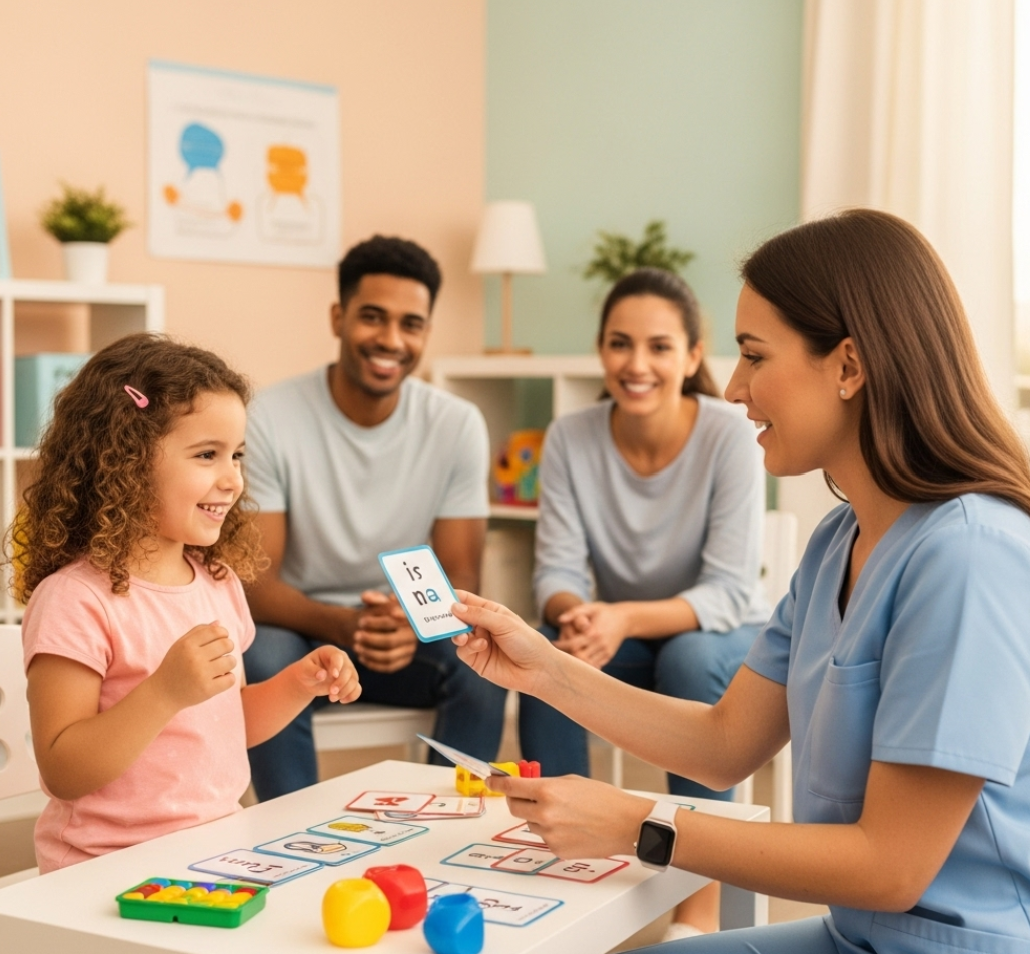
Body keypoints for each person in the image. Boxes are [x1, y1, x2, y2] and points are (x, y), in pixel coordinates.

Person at [449, 209, 1030, 953]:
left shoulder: (970, 556)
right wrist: (545, 668)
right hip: (855, 938)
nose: (730, 385)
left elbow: (891, 868)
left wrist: (637, 825)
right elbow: (727, 742)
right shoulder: (837, 543)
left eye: (754, 356)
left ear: (849, 367)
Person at [14, 334, 361, 873]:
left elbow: (226, 725)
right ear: (125, 461)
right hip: (103, 868)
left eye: (237, 455)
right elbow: (63, 768)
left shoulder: (217, 584)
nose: (232, 478)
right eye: (207, 455)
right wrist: (163, 692)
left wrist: (298, 685)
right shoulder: (74, 600)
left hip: (212, 853)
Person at [518, 267, 769, 940]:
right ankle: (561, 863)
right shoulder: (571, 437)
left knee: (687, 663)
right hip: (617, 630)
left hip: (716, 633)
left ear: (691, 357)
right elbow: (557, 571)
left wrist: (622, 615)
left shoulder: (729, 434)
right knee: (543, 650)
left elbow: (728, 591)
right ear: (601, 350)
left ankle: (697, 907)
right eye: (620, 343)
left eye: (659, 347)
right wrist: (578, 614)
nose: (637, 364)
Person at [243, 234, 506, 801]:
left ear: (426, 333)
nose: (391, 340)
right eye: (372, 317)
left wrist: (409, 622)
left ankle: (454, 830)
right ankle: (290, 835)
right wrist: (344, 625)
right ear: (338, 318)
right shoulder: (271, 416)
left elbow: (464, 583)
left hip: (408, 630)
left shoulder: (456, 424)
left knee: (484, 655)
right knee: (261, 650)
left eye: (411, 323)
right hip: (304, 629)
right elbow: (255, 584)